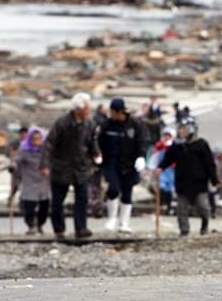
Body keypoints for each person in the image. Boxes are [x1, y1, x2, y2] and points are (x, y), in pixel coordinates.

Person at [40, 92, 101, 240]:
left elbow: (92, 141)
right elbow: (49, 144)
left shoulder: (89, 123)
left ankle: (81, 228)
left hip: (81, 167)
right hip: (62, 167)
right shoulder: (62, 123)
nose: (89, 112)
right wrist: (45, 164)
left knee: (82, 198)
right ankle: (59, 229)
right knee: (57, 202)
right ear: (78, 109)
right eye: (87, 109)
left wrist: (96, 154)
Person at [155, 117, 220, 236]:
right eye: (180, 129)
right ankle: (184, 230)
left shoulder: (201, 144)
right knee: (181, 209)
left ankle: (205, 224)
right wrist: (160, 167)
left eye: (183, 129)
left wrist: (214, 179)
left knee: (203, 207)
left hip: (199, 183)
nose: (180, 131)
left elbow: (209, 164)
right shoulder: (176, 146)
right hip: (182, 183)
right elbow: (168, 159)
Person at [98, 98, 149, 233]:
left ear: (119, 112)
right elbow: (99, 141)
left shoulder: (135, 125)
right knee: (113, 189)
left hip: (130, 163)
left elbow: (143, 140)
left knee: (127, 192)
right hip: (112, 162)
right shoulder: (107, 125)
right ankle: (111, 218)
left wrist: (142, 157)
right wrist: (98, 156)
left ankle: (124, 223)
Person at [13, 126, 50, 235]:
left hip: (44, 180)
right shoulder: (24, 149)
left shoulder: (46, 150)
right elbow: (17, 160)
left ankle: (40, 224)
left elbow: (53, 160)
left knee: (44, 205)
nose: (36, 142)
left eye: (39, 139)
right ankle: (31, 225)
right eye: (34, 139)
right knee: (29, 205)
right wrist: (13, 166)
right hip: (29, 179)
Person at [147, 127, 176, 215]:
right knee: (160, 187)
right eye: (165, 135)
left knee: (170, 189)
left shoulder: (175, 146)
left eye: (169, 136)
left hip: (172, 170)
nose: (166, 137)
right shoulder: (159, 146)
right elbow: (154, 158)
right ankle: (161, 205)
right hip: (161, 170)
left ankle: (169, 206)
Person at [6, 125, 28, 204]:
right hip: (16, 168)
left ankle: (22, 202)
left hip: (26, 168)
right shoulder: (15, 143)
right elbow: (8, 152)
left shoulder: (29, 143)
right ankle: (10, 199)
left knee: (25, 186)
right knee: (15, 185)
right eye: (22, 134)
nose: (24, 136)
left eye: (25, 134)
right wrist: (12, 153)